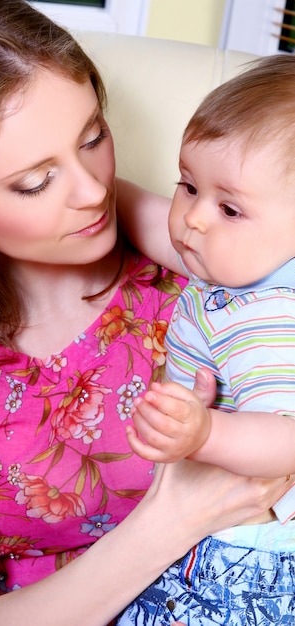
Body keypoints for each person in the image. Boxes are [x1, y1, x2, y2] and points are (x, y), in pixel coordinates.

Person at [0, 2, 290, 625]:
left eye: (93, 138)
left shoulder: (200, 261)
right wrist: (172, 520)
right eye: (35, 181)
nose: (93, 189)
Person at [116, 55, 295, 625]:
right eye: (188, 185)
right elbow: (137, 211)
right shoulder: (227, 260)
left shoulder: (274, 319)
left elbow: (289, 439)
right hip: (207, 531)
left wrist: (206, 431)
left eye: (229, 206)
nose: (193, 218)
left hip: (254, 556)